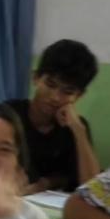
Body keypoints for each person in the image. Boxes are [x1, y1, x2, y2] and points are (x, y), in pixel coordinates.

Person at [6, 38, 100, 193]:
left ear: (79, 96)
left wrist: (79, 130)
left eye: (67, 92)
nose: (55, 97)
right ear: (36, 78)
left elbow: (93, 190)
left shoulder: (75, 126)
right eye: (50, 84)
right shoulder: (8, 115)